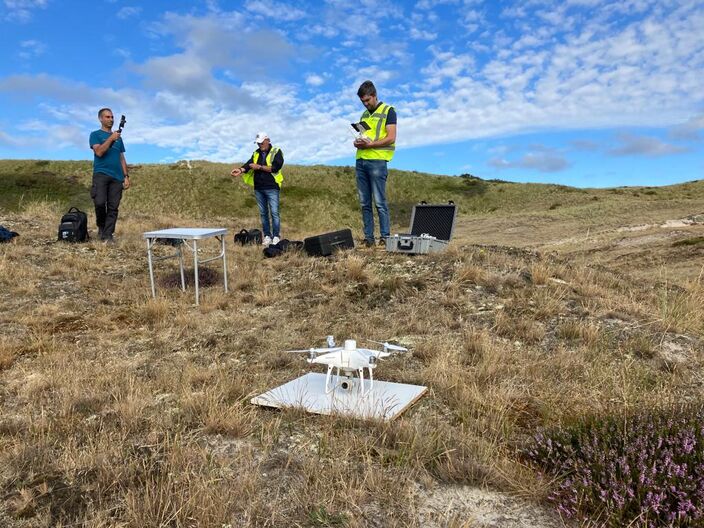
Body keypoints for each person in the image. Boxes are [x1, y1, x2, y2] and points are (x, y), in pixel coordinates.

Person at [353, 80, 397, 247]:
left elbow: (391, 137)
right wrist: (357, 142)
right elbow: (363, 136)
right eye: (362, 101)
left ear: (374, 95)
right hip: (361, 161)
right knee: (365, 203)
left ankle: (385, 236)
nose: (365, 104)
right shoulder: (364, 115)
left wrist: (370, 145)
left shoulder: (389, 111)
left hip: (378, 161)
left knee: (380, 202)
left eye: (367, 100)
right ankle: (369, 238)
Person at [231, 132, 284, 245]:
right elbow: (249, 164)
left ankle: (276, 236)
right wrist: (240, 170)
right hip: (259, 188)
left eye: (261, 142)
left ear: (267, 140)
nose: (259, 145)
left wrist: (259, 167)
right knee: (263, 213)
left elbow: (275, 168)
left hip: (272, 187)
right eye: (258, 143)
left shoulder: (276, 151)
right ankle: (267, 236)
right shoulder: (256, 153)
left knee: (274, 212)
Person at [89, 108, 130, 243]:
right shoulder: (95, 135)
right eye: (107, 117)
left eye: (112, 117)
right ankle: (101, 227)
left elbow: (121, 158)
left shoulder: (119, 138)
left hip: (117, 177)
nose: (111, 119)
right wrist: (111, 139)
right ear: (100, 119)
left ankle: (108, 235)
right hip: (101, 174)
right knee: (100, 203)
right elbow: (99, 152)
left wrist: (126, 176)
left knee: (113, 207)